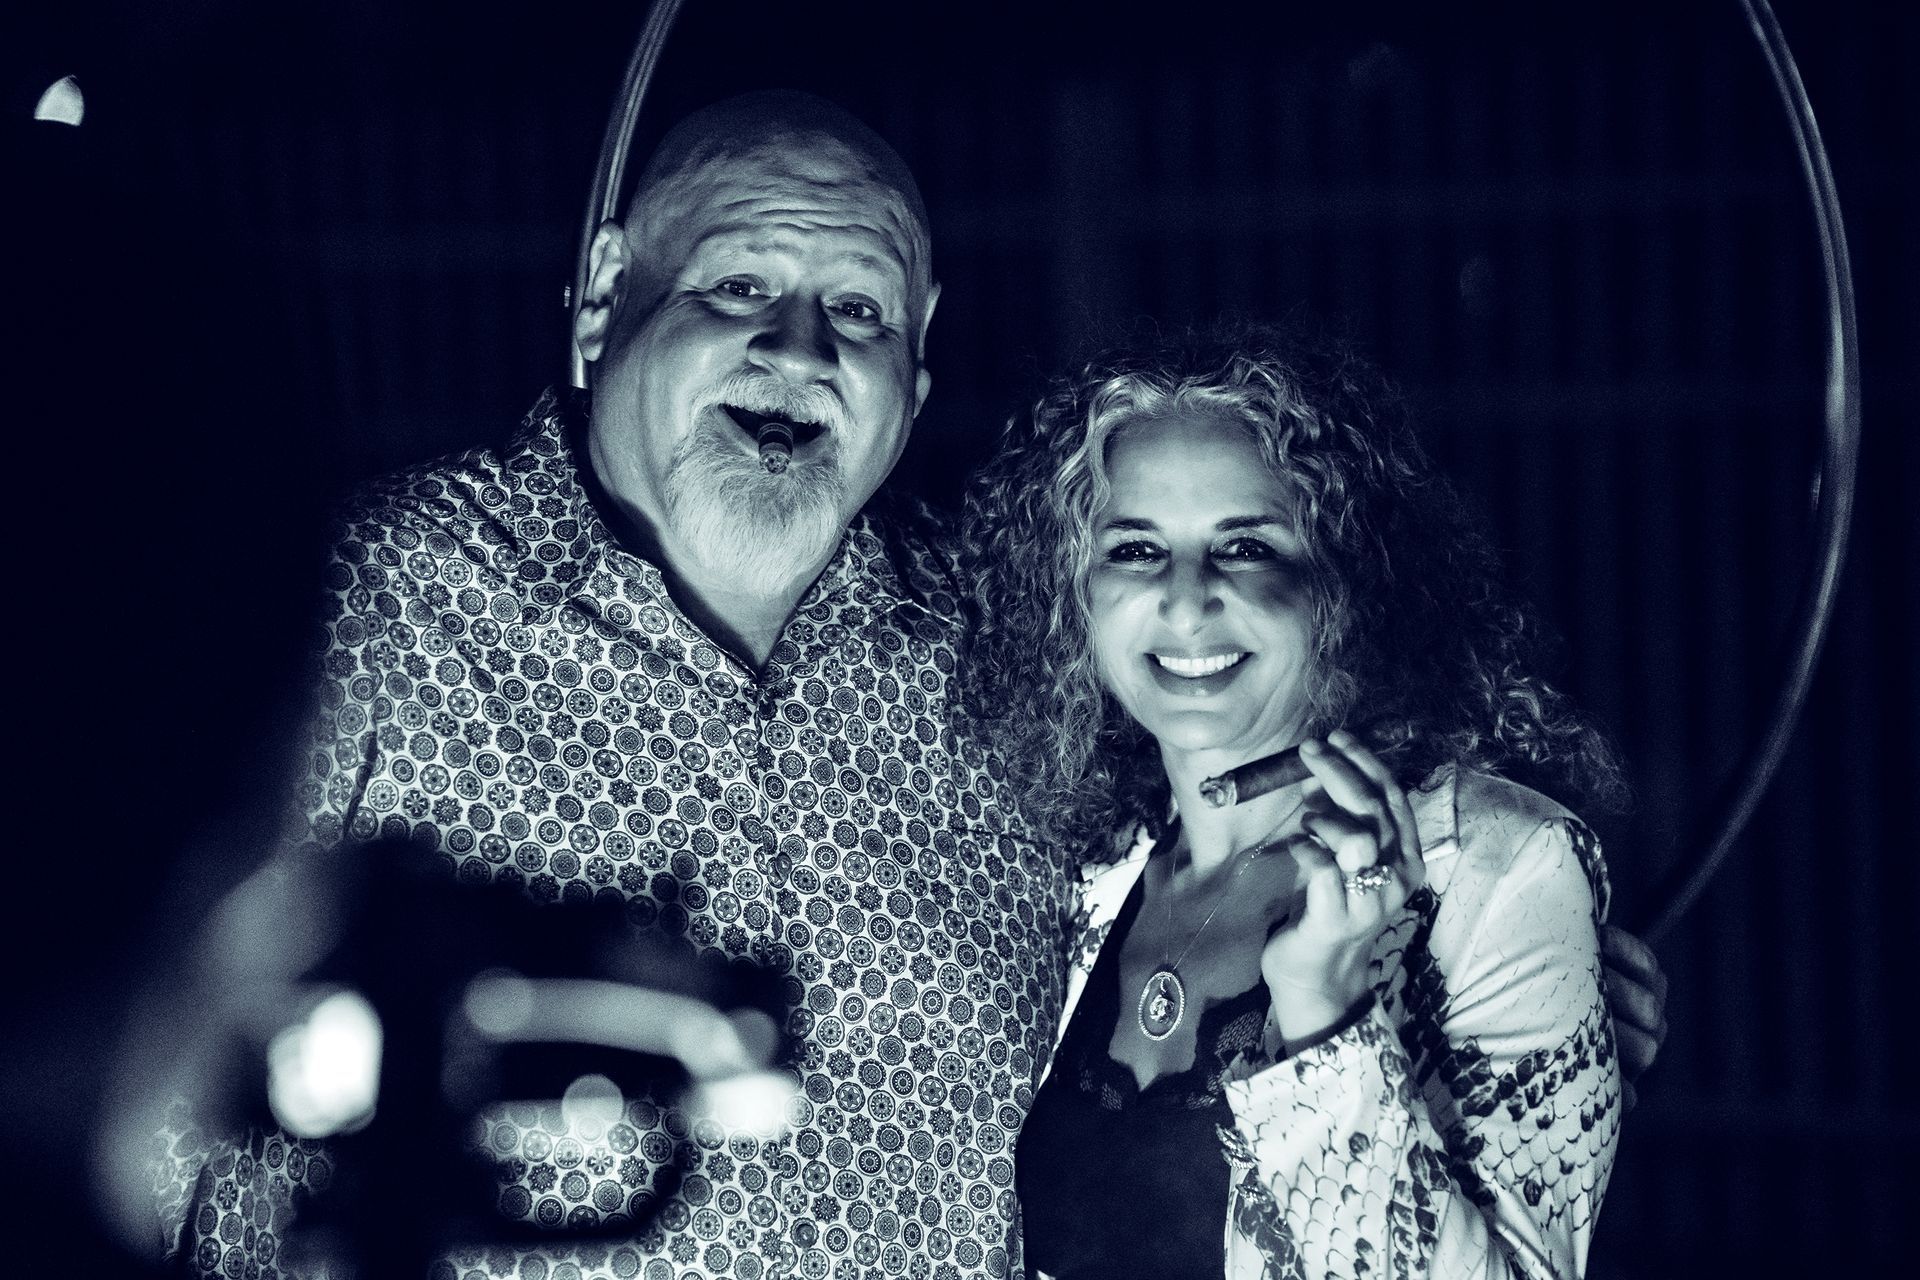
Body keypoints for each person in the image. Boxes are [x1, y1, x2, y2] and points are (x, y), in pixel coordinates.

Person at [151, 93, 1663, 1279]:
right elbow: (105, 1087)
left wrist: (1528, 1002)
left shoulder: (991, 686)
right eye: (740, 281)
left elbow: (1236, 885)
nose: (797, 350)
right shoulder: (355, 618)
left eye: (858, 311)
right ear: (607, 295)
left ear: (917, 374)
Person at [964, 326, 1624, 1278]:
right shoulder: (1090, 875)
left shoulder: (1497, 866)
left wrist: (1326, 1011)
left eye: (1246, 545)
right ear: (1077, 594)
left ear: (1346, 580)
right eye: (1137, 548)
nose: (1188, 603)